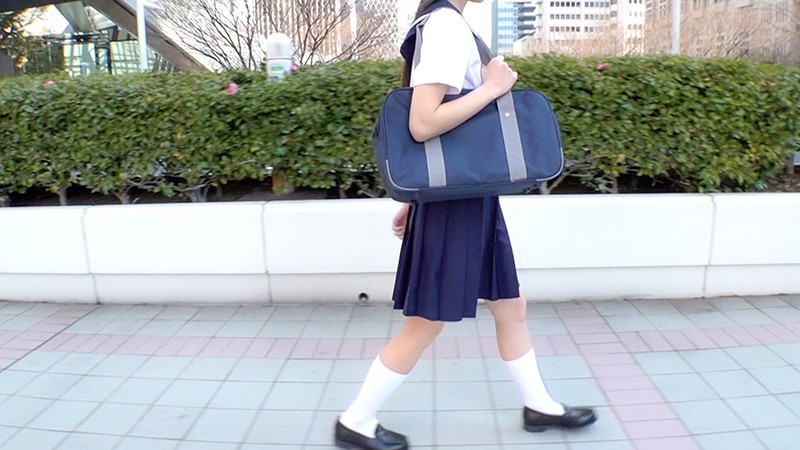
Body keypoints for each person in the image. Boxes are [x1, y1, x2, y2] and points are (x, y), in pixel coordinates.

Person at [334, 1, 596, 449]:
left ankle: (540, 405)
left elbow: (442, 136)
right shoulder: (446, 26)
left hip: (467, 198)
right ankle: (356, 419)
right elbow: (423, 124)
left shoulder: (445, 24)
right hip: (458, 205)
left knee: (510, 306)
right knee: (426, 323)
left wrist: (416, 199)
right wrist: (493, 88)